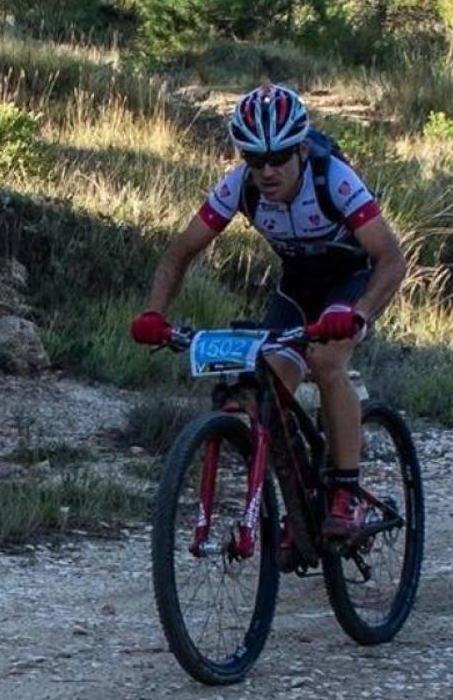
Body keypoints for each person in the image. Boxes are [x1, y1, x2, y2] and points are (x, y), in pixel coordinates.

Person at [129, 83, 407, 555]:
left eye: (279, 157)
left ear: (300, 148)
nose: (268, 170)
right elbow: (179, 253)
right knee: (260, 393)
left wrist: (359, 315)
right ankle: (298, 507)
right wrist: (154, 313)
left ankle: (345, 492)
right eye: (255, 159)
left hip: (351, 282)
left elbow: (391, 259)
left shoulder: (333, 178)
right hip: (298, 287)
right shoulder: (239, 186)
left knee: (326, 362)